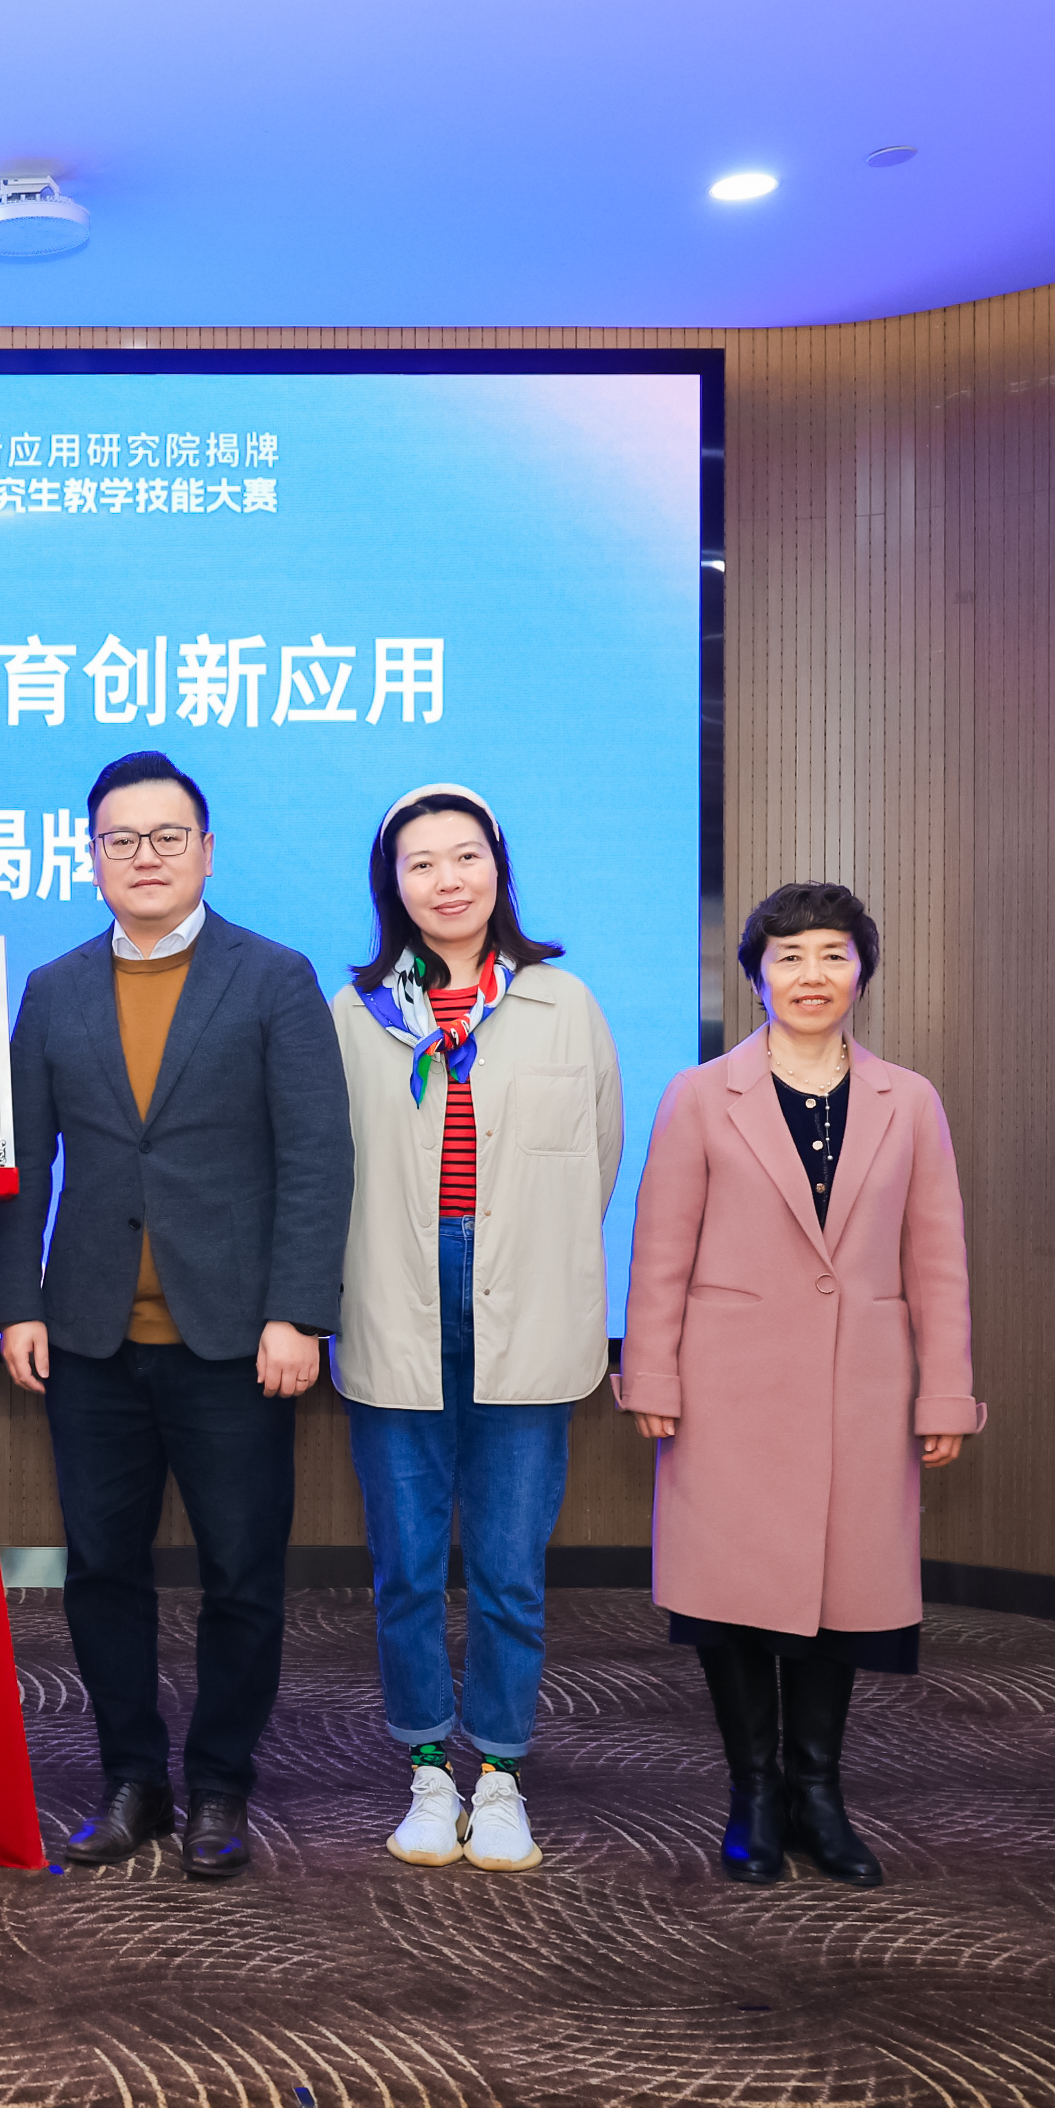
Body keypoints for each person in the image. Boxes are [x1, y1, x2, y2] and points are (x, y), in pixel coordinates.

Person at [0, 750, 353, 1881]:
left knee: (241, 1573)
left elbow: (316, 1155)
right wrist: (15, 1302)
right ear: (91, 857)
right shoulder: (52, 988)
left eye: (166, 837)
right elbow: (19, 1160)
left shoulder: (272, 977)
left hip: (235, 1341)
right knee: (102, 1571)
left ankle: (221, 1783)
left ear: (205, 851)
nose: (143, 857)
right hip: (89, 1337)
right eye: (120, 840)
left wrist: (298, 1312)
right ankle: (132, 1779)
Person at [620, 881, 983, 1888]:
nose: (810, 974)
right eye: (787, 956)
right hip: (726, 1392)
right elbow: (659, 1251)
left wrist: (944, 1392)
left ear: (860, 971)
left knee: (841, 1595)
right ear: (755, 976)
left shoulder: (908, 1100)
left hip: (861, 1391)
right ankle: (752, 1792)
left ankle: (817, 1792)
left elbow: (937, 1259)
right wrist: (649, 1373)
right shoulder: (700, 1095)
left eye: (831, 954)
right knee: (731, 1595)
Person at [327, 785, 620, 1875]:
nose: (446, 880)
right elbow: (324, 1167)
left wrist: (515, 1254)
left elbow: (595, 1156)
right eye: (421, 863)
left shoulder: (562, 1003)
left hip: (523, 1305)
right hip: (392, 1300)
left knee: (507, 1569)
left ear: (498, 868)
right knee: (406, 1566)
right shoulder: (356, 1014)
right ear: (392, 884)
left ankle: (497, 1774)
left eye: (465, 857)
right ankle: (424, 1767)